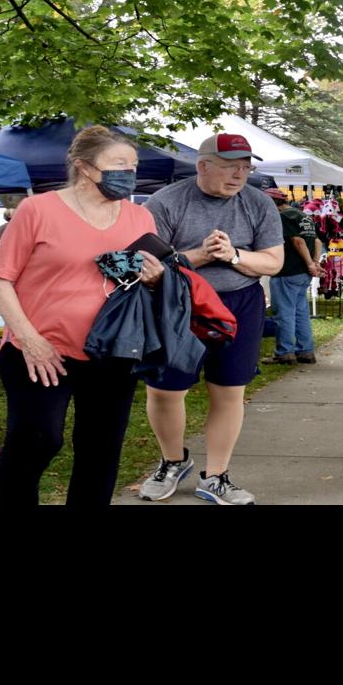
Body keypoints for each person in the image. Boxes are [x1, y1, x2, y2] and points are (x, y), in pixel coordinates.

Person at [0, 125, 166, 503]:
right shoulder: (37, 210)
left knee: (101, 451)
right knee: (37, 440)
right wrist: (31, 342)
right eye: (118, 165)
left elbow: (138, 283)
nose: (128, 174)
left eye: (132, 166)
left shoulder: (139, 218)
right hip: (40, 350)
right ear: (84, 167)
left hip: (113, 350)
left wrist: (154, 277)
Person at [137, 133, 285, 505]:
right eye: (231, 166)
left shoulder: (258, 203)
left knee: (230, 390)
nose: (240, 174)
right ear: (203, 166)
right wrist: (201, 256)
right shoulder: (166, 202)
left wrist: (234, 255)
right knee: (166, 389)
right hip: (178, 303)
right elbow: (149, 266)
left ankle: (216, 475)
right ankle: (172, 461)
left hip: (240, 304)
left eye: (246, 167)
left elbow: (273, 261)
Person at [263, 187, 318, 365]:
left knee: (284, 313)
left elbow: (298, 241)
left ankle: (284, 352)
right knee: (300, 312)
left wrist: (310, 263)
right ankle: (306, 351)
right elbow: (316, 240)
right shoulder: (303, 216)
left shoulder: (283, 217)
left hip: (287, 271)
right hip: (302, 273)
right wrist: (314, 263)